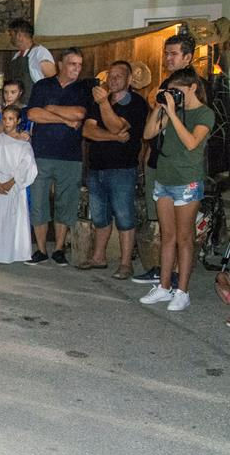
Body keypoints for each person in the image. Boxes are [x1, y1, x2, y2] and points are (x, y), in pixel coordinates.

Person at [139, 68, 214, 312]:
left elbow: (192, 143)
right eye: (170, 91)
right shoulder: (170, 110)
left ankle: (182, 291)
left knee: (184, 237)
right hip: (164, 179)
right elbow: (148, 133)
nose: (174, 95)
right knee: (167, 236)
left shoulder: (205, 113)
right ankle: (164, 286)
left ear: (192, 88)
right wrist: (160, 107)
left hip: (187, 182)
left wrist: (172, 112)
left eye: (177, 91)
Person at [133, 32, 197, 285]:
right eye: (166, 54)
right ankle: (163, 270)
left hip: (182, 166)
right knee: (163, 222)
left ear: (188, 57)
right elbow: (155, 126)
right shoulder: (166, 84)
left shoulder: (195, 88)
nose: (168, 58)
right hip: (159, 159)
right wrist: (150, 151)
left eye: (174, 54)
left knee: (183, 227)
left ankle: (179, 274)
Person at [78, 61, 149, 279]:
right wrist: (114, 137)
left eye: (119, 75)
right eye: (111, 75)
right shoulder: (99, 100)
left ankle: (126, 263)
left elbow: (117, 125)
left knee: (124, 216)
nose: (114, 79)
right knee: (100, 216)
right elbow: (88, 131)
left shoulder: (137, 103)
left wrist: (104, 106)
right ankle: (98, 257)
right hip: (96, 168)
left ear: (129, 80)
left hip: (122, 169)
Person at [25, 48, 88, 266]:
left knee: (66, 202)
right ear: (60, 64)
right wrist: (65, 119)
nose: (76, 69)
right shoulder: (42, 86)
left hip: (70, 156)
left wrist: (51, 109)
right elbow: (33, 114)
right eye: (72, 64)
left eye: (79, 65)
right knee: (39, 202)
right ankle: (41, 249)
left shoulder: (82, 88)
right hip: (41, 153)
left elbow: (79, 114)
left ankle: (59, 249)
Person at [0, 106, 38, 264]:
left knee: (15, 218)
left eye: (11, 119)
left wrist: (11, 182)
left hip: (15, 186)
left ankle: (15, 252)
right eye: (4, 118)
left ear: (18, 121)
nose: (7, 122)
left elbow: (26, 165)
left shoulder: (23, 144)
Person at [6, 18, 56, 103]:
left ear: (19, 35)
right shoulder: (16, 57)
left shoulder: (40, 53)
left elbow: (53, 80)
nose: (10, 38)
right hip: (18, 105)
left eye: (11, 35)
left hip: (37, 104)